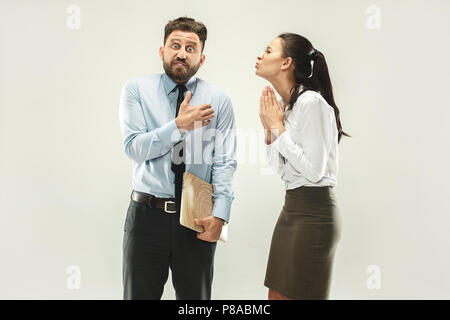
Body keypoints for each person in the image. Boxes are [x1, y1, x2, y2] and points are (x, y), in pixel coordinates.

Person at [119, 16, 237, 300]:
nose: (182, 53)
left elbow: (225, 161)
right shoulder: (135, 90)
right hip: (146, 216)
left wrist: (221, 213)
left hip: (197, 216)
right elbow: (134, 148)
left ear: (201, 58)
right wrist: (178, 126)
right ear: (162, 51)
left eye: (190, 48)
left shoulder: (218, 100)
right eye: (175, 45)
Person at [255, 33, 350, 300]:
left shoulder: (312, 103)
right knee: (276, 296)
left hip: (314, 215)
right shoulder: (290, 107)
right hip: (292, 209)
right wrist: (270, 133)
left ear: (286, 63)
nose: (260, 55)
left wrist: (277, 129)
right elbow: (281, 169)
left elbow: (314, 170)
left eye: (268, 50)